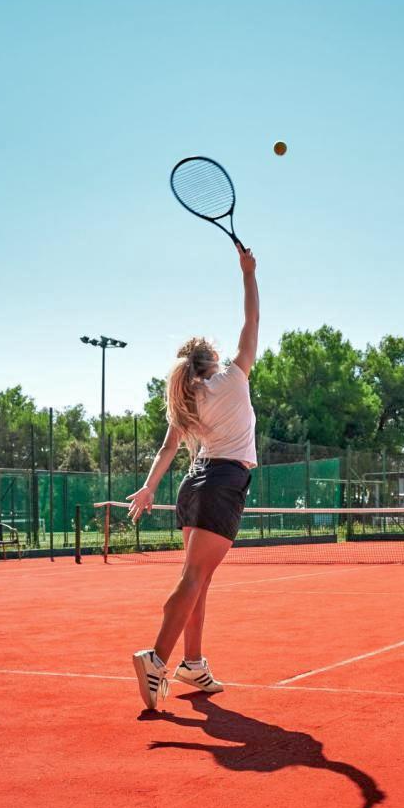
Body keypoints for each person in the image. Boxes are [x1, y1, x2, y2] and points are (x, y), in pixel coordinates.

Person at [126, 244, 259, 710]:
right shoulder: (234, 378)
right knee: (195, 577)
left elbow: (166, 450)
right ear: (212, 362)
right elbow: (251, 325)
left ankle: (193, 663)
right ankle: (157, 661)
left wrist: (148, 487)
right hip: (222, 483)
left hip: (195, 484)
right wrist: (248, 274)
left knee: (197, 579)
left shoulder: (186, 399)